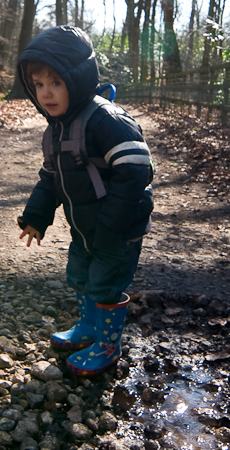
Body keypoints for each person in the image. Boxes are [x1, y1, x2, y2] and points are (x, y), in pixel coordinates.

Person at [16, 25, 154, 376]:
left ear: (76, 80)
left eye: (56, 83)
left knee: (105, 283)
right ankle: (89, 329)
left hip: (116, 227)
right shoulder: (56, 128)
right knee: (80, 275)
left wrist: (112, 222)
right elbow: (51, 177)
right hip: (84, 228)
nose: (47, 93)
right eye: (39, 85)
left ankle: (108, 345)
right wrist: (37, 215)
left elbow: (136, 169)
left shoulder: (105, 119)